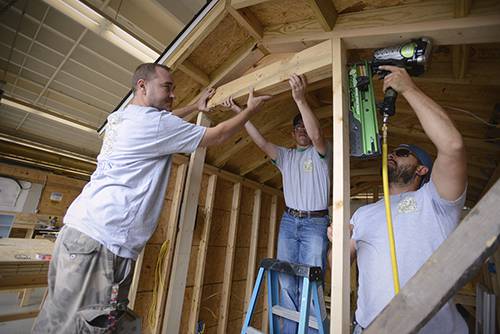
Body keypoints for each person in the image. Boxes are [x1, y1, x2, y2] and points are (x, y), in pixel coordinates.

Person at [32, 63, 272, 333]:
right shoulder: (154, 124)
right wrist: (250, 110)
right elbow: (217, 136)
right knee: (86, 327)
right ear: (142, 86)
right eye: (167, 87)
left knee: (55, 319)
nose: (172, 95)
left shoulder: (122, 117)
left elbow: (161, 123)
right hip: (103, 243)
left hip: (77, 234)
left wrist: (194, 107)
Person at [328, 65, 468, 334]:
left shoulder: (436, 201)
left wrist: (409, 89)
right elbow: (338, 268)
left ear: (422, 169)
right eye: (392, 152)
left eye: (402, 153)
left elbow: (452, 146)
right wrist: (340, 244)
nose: (392, 154)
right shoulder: (363, 214)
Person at [223, 74, 331, 333]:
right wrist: (242, 112)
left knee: (311, 280)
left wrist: (300, 99)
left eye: (305, 128)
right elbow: (260, 142)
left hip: (316, 222)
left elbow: (316, 134)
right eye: (298, 129)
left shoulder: (322, 152)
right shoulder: (285, 156)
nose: (303, 132)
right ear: (292, 133)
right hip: (289, 221)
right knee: (285, 281)